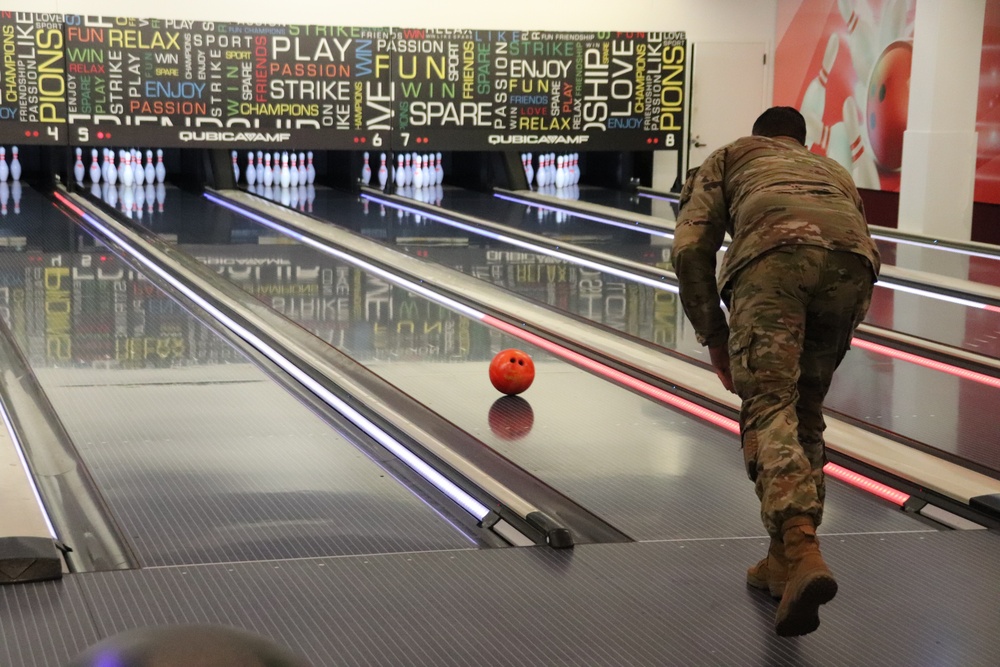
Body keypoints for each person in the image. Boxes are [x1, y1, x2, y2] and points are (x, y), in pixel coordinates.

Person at [672, 106, 880, 637]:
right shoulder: (832, 170)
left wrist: (714, 335)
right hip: (853, 265)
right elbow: (855, 234)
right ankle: (782, 563)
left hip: (774, 257)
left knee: (768, 404)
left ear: (757, 134)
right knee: (804, 413)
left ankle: (802, 546)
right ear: (801, 142)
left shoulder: (730, 155)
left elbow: (690, 247)